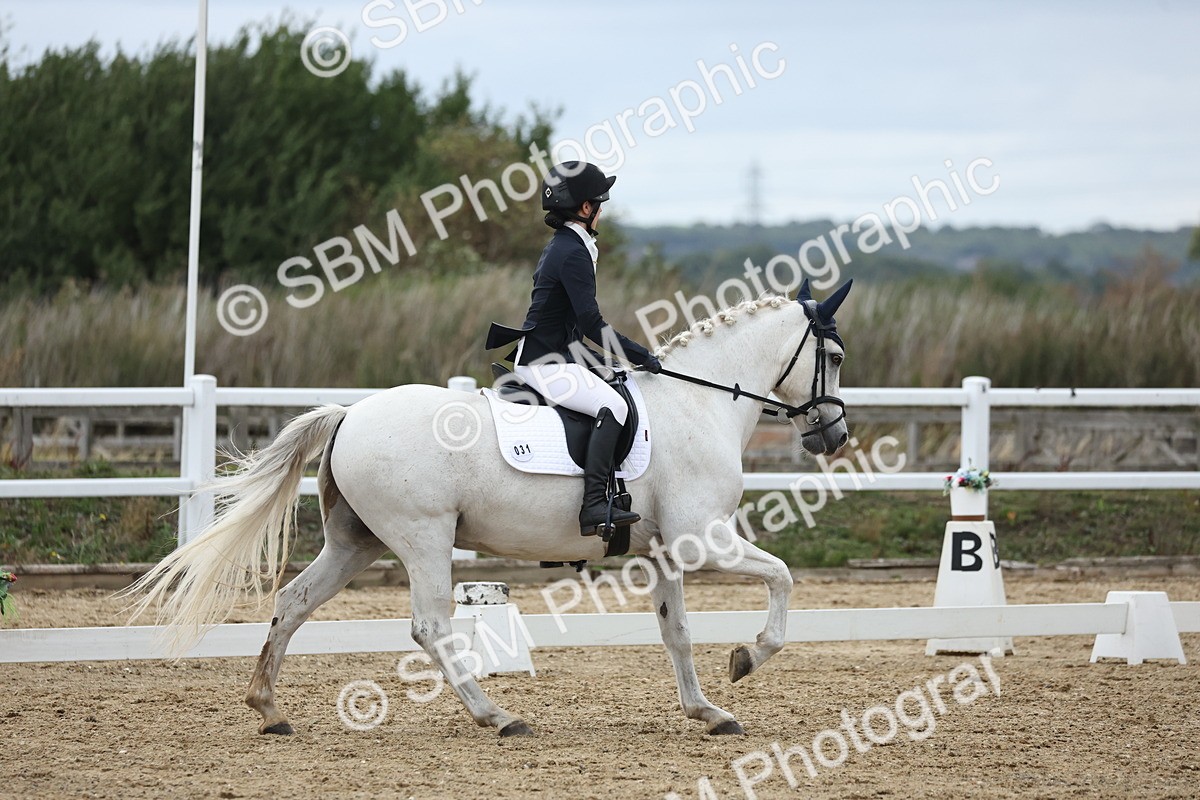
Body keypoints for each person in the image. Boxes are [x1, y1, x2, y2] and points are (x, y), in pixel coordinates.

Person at [487, 162, 661, 536]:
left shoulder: (567, 246)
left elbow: (570, 331)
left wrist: (606, 362)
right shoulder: (573, 252)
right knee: (612, 406)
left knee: (615, 385)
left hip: (555, 354)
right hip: (545, 363)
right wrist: (640, 355)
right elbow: (590, 324)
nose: (602, 211)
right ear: (586, 209)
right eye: (600, 203)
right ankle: (595, 504)